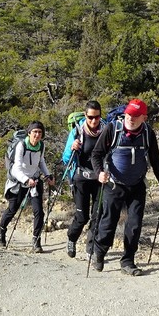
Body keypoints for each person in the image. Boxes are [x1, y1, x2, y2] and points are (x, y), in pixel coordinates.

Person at [89, 98, 159, 276]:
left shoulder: (148, 133)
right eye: (128, 114)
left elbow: (156, 160)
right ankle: (99, 252)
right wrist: (99, 172)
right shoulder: (112, 129)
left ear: (144, 117)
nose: (130, 118)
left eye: (135, 115)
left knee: (134, 224)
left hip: (137, 185)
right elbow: (96, 154)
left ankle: (128, 261)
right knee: (108, 221)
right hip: (113, 184)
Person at [0, 121, 54, 252]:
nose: (37, 135)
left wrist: (47, 175)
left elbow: (41, 161)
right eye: (35, 132)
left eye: (40, 132)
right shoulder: (21, 145)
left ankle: (36, 240)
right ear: (29, 133)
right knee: (12, 209)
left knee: (39, 212)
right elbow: (16, 167)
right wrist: (26, 180)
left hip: (34, 181)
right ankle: (1, 231)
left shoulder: (41, 146)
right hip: (18, 181)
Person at [61, 100, 106, 259]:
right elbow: (65, 159)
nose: (94, 121)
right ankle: (72, 238)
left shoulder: (106, 130)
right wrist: (72, 148)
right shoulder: (77, 132)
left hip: (100, 179)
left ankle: (90, 248)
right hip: (81, 179)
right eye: (90, 117)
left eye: (97, 117)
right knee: (82, 217)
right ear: (85, 115)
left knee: (97, 215)